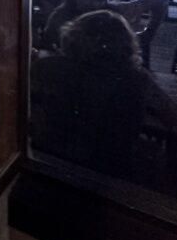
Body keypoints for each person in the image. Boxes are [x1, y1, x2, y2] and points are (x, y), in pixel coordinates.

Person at [31, 9, 150, 179]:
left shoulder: (49, 68)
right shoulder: (135, 78)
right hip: (108, 168)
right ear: (126, 42)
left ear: (71, 38)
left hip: (46, 158)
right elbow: (172, 117)